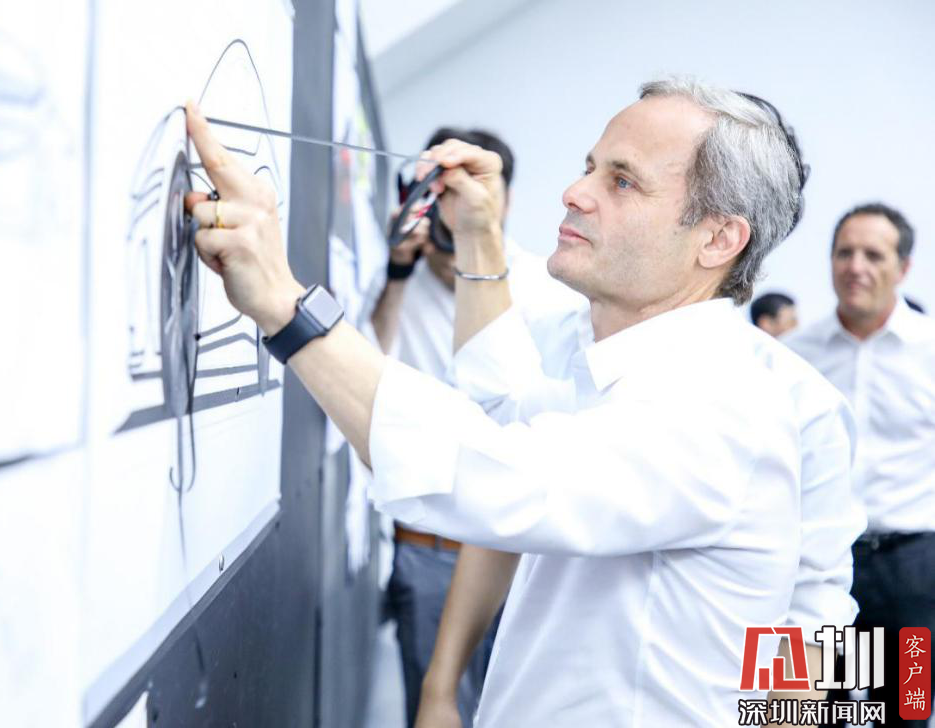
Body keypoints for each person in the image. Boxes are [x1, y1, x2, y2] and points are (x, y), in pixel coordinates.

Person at [178, 76, 859, 726]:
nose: (574, 192)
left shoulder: (734, 405)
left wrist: (285, 304)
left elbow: (498, 476)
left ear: (718, 238)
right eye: (589, 167)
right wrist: (478, 234)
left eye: (622, 181)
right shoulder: (619, 355)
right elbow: (501, 408)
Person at [370, 126, 583, 728]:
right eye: (438, 193)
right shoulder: (399, 279)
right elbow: (369, 375)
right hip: (432, 546)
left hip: (524, 550)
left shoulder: (548, 287)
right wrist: (397, 271)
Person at [787, 202, 935, 727]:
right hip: (810, 567)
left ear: (904, 267)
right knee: (794, 711)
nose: (856, 267)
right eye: (844, 253)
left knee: (909, 713)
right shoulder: (792, 356)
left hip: (911, 574)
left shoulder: (930, 351)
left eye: (874, 255)